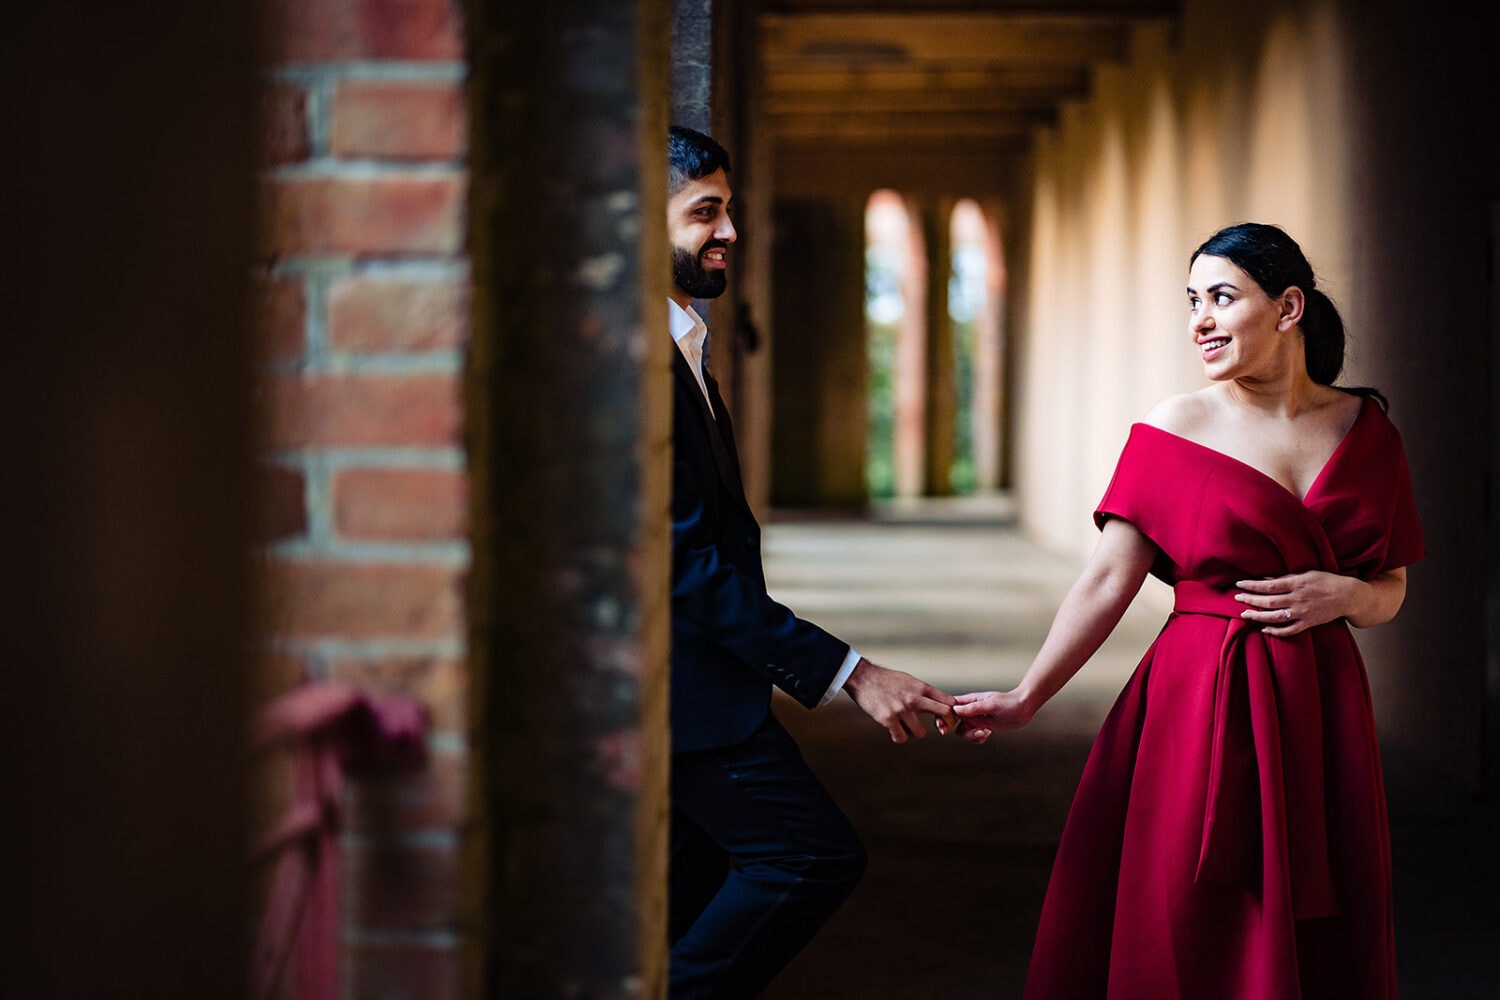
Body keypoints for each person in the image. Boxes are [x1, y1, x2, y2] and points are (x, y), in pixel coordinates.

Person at [954, 222, 1423, 999]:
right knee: (1186, 908)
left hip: (1322, 704)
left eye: (1223, 298)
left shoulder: (1368, 433)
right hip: (1199, 699)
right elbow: (1108, 581)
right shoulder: (1173, 429)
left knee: (1326, 921)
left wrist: (1349, 595)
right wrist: (1025, 696)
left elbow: (1392, 585)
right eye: (1192, 301)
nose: (1200, 320)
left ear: (1288, 307)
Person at [664, 124, 958, 999]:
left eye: (729, 210)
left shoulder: (682, 340)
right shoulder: (631, 358)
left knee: (682, 899)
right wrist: (851, 673)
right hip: (683, 697)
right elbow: (681, 563)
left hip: (708, 689)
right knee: (807, 857)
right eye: (704, 213)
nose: (729, 232)